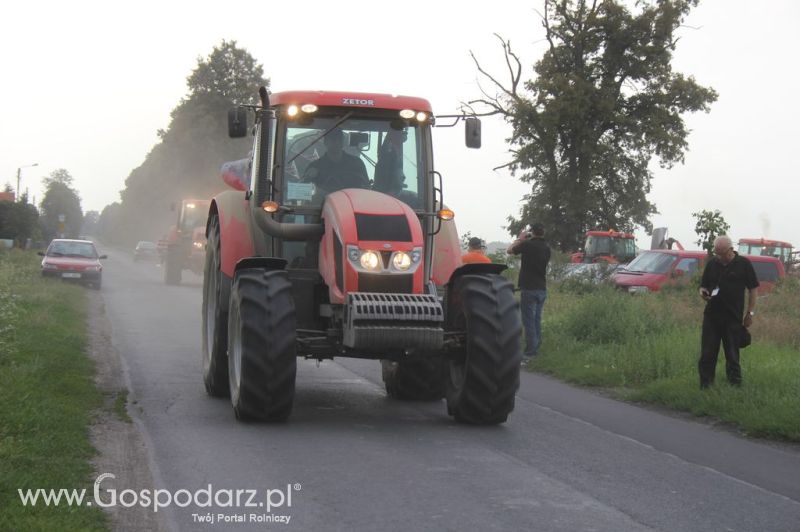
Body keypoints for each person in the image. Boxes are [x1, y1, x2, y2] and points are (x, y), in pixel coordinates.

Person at [698, 235, 759, 388]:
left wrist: (750, 314)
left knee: (732, 354)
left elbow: (753, 289)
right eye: (717, 253)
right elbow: (703, 286)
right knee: (707, 354)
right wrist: (703, 293)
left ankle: (735, 386)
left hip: (733, 317)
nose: (719, 257)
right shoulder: (712, 264)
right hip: (712, 316)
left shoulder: (744, 264)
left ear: (731, 249)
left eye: (722, 253)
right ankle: (706, 386)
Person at [508, 223, 551, 359]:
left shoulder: (527, 245)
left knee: (528, 321)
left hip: (529, 288)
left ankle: (530, 352)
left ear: (532, 232)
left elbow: (509, 251)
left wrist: (520, 238)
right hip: (542, 288)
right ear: (543, 232)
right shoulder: (547, 248)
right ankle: (536, 347)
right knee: (537, 319)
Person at [304, 128, 369, 193]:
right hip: (323, 202)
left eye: (338, 140)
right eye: (332, 139)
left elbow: (367, 189)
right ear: (325, 142)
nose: (336, 142)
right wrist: (308, 178)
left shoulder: (357, 164)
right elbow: (303, 192)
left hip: (352, 202)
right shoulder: (315, 166)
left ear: (342, 142)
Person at [374, 127, 407, 195]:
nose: (404, 177)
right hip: (386, 192)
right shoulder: (387, 156)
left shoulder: (395, 153)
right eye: (402, 133)